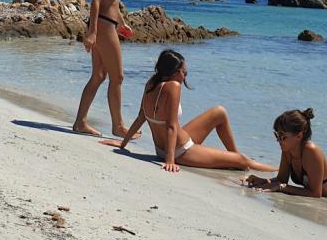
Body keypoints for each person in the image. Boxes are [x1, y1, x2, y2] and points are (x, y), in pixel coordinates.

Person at [112, 50, 275, 173]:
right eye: (184, 73)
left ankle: (232, 157)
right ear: (175, 72)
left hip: (166, 147)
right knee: (244, 160)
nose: (184, 78)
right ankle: (275, 171)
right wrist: (170, 161)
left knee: (219, 112)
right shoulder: (173, 86)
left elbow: (141, 117)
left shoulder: (151, 83)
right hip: (179, 151)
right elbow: (170, 126)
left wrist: (123, 144)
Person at [72, 0, 136, 137]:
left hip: (110, 25)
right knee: (117, 77)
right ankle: (118, 126)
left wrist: (122, 23)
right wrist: (92, 33)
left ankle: (80, 122)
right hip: (102, 27)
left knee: (99, 75)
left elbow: (113, 1)